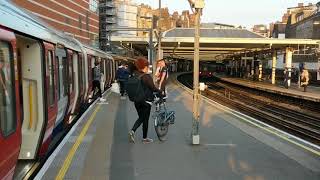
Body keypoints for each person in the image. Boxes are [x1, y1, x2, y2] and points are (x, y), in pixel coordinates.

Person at [128, 57, 162, 144]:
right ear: (145, 67)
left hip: (136, 101)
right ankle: (132, 131)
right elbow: (153, 88)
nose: (148, 68)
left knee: (143, 118)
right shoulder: (146, 76)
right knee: (143, 118)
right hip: (146, 102)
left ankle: (145, 138)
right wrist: (160, 92)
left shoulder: (135, 75)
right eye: (147, 66)